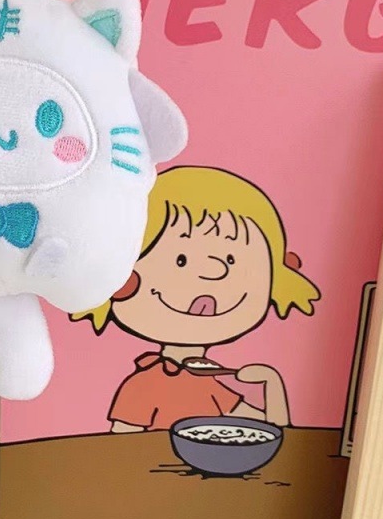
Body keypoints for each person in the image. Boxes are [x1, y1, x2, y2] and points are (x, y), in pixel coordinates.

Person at [72, 166, 321, 432]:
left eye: (231, 260)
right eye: (181, 260)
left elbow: (273, 430)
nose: (213, 272)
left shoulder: (206, 383)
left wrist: (271, 382)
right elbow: (119, 443)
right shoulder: (145, 384)